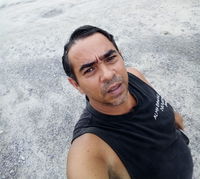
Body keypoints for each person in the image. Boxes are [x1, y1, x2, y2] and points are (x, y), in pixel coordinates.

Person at [62, 25, 193, 179]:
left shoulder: (134, 76)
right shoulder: (89, 148)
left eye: (110, 59)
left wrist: (172, 117)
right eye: (89, 70)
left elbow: (159, 108)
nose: (108, 75)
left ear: (121, 56)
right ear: (76, 85)